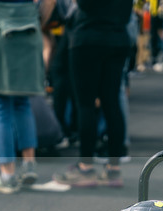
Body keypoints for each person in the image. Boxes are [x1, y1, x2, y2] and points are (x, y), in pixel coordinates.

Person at [0, 0, 55, 194]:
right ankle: (29, 163)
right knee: (22, 101)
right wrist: (38, 20)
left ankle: (7, 175)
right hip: (29, 26)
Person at [52, 0, 133, 188]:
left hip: (88, 36)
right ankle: (114, 168)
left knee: (85, 105)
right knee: (112, 103)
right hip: (118, 36)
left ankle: (86, 167)